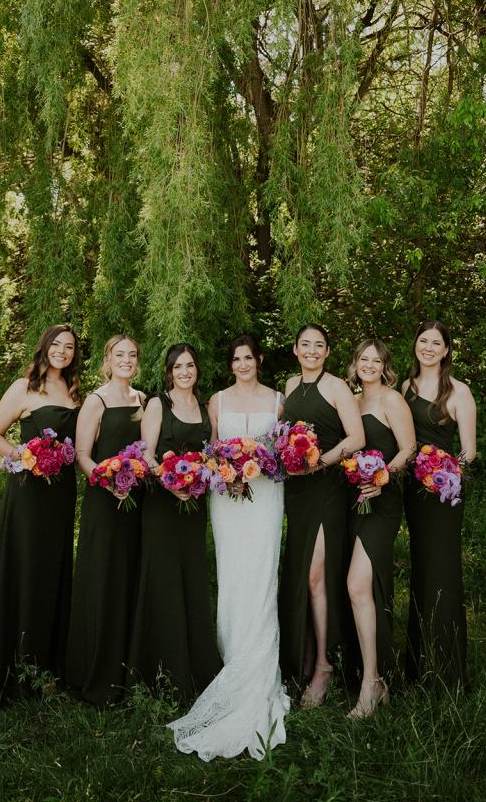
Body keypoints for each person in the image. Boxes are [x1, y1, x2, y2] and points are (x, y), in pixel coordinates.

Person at [168, 334, 290, 759]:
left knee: (262, 573)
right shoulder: (216, 401)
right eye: (235, 359)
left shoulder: (278, 401)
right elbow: (210, 452)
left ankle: (259, 667)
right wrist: (227, 471)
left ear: (259, 360)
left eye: (248, 358)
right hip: (227, 499)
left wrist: (259, 465)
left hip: (266, 498)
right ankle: (233, 655)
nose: (242, 364)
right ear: (229, 364)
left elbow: (280, 453)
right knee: (233, 574)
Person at [0, 324, 80, 714]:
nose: (62, 351)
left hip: (62, 495)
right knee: (26, 569)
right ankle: (14, 670)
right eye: (56, 344)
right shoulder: (23, 387)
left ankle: (47, 667)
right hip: (30, 493)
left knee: (53, 570)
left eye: (69, 347)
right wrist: (27, 456)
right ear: (44, 347)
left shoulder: (75, 390)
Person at [127, 343, 222, 697]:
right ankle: (159, 672)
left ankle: (196, 667)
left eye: (190, 365)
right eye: (178, 366)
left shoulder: (205, 406)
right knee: (163, 579)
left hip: (193, 505)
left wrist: (199, 479)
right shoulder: (158, 404)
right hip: (162, 505)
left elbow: (211, 454)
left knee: (192, 577)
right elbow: (146, 455)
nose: (185, 372)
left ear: (197, 369)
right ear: (169, 371)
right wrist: (171, 482)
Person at [278, 324, 365, 707]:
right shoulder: (289, 386)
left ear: (327, 351)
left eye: (319, 345)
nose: (311, 350)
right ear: (295, 349)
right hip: (297, 491)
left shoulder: (337, 387)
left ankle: (325, 666)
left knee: (317, 577)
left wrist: (320, 462)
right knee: (302, 574)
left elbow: (357, 437)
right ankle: (306, 654)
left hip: (327, 486)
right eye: (305, 345)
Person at [66, 335, 146, 705]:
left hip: (137, 502)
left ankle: (129, 667)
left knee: (130, 576)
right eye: (119, 355)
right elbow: (82, 454)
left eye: (132, 355)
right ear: (108, 359)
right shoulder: (95, 401)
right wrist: (107, 481)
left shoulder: (143, 400)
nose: (126, 360)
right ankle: (94, 670)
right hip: (104, 499)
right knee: (103, 576)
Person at [402, 320, 476, 687]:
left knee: (443, 569)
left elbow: (469, 451)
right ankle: (417, 664)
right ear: (415, 345)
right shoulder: (406, 388)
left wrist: (445, 473)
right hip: (413, 491)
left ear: (446, 350)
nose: (428, 348)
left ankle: (449, 668)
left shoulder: (459, 391)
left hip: (444, 493)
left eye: (436, 343)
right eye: (423, 341)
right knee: (421, 568)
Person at [345, 338, 415, 717]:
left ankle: (371, 682)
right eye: (363, 359)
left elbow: (408, 448)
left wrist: (383, 475)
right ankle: (376, 676)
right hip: (355, 501)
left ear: (385, 366)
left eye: (376, 360)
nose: (369, 365)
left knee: (357, 584)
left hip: (383, 502)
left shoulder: (392, 400)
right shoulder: (353, 401)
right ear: (355, 363)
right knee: (362, 589)